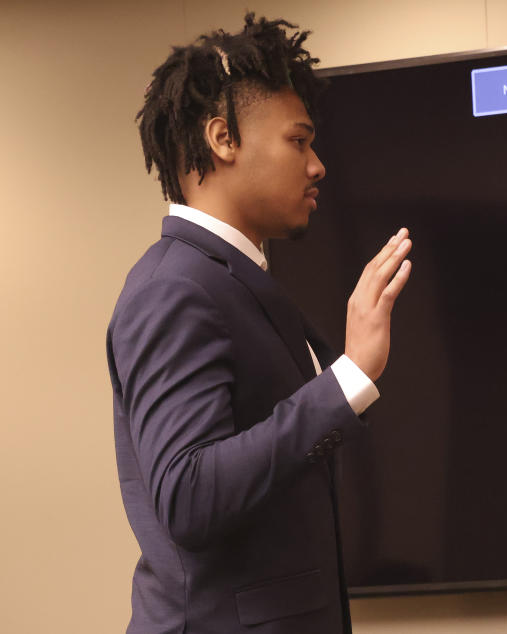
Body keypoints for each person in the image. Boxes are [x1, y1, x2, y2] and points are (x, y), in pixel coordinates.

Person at [106, 12, 411, 633]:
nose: (318, 164)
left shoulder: (230, 278)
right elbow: (188, 496)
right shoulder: (175, 288)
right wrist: (348, 378)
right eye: (298, 141)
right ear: (223, 139)